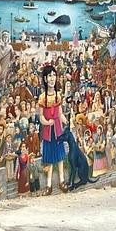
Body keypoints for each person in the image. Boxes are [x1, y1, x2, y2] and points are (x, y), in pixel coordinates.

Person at [38, 65, 69, 195]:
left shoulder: (58, 96)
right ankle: (49, 185)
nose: (52, 79)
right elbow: (40, 117)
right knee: (50, 160)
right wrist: (46, 122)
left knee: (60, 158)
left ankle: (62, 181)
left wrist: (65, 120)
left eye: (54, 76)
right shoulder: (42, 97)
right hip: (48, 131)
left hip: (58, 130)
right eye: (50, 76)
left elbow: (60, 113)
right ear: (45, 79)